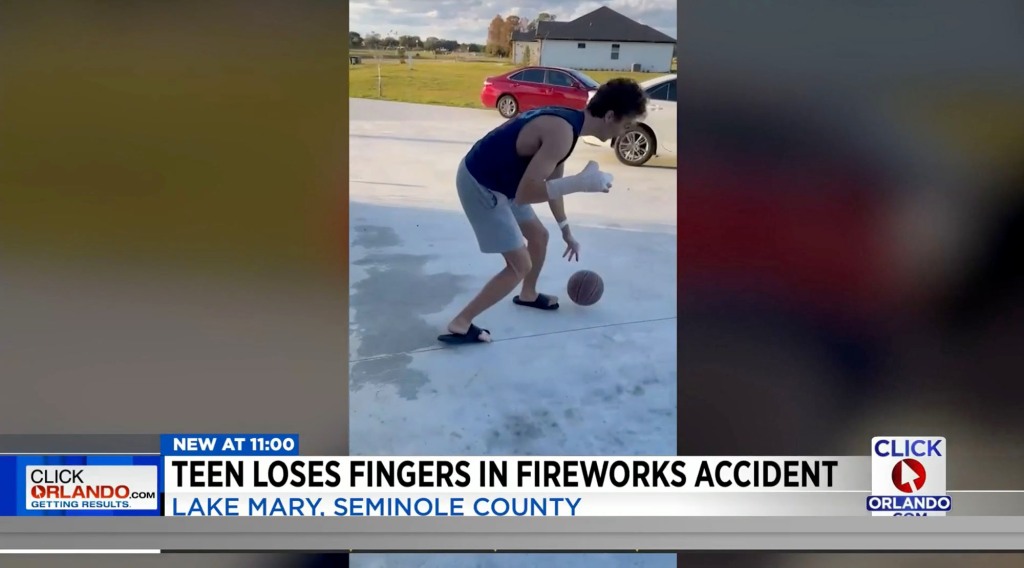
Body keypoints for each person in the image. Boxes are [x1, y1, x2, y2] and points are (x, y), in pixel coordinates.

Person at [438, 78, 649, 344]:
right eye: (625, 125)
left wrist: (566, 230)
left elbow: (551, 185)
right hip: (481, 185)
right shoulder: (562, 133)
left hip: (504, 183)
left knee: (539, 236)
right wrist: (580, 184)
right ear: (609, 116)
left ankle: (528, 294)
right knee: (519, 265)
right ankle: (461, 322)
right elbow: (529, 193)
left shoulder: (569, 125)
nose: (624, 133)